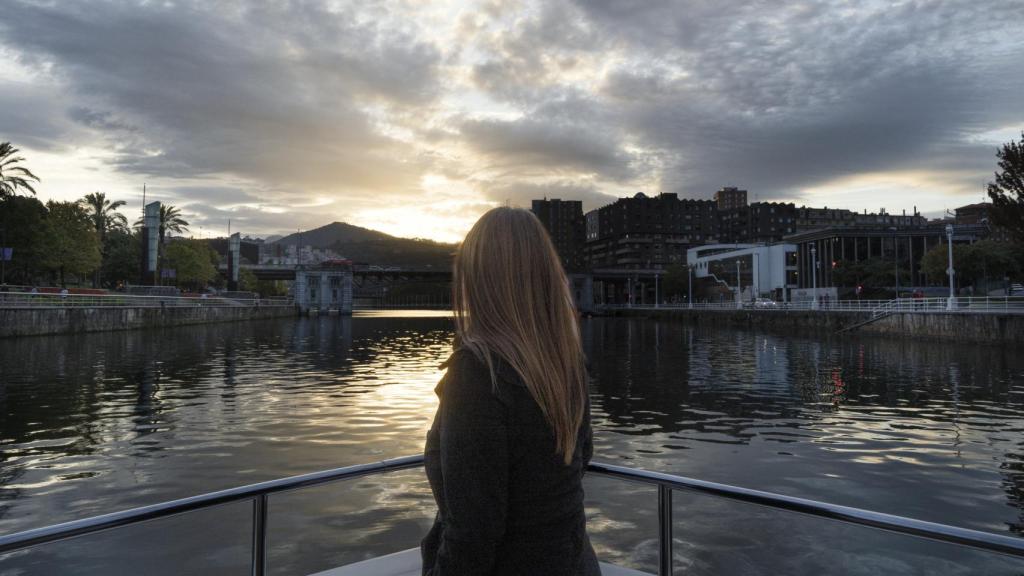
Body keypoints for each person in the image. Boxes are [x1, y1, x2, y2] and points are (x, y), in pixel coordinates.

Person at [421, 207, 600, 576]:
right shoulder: (565, 364)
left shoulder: (477, 375)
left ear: (479, 279)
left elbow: (471, 536)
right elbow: (581, 456)